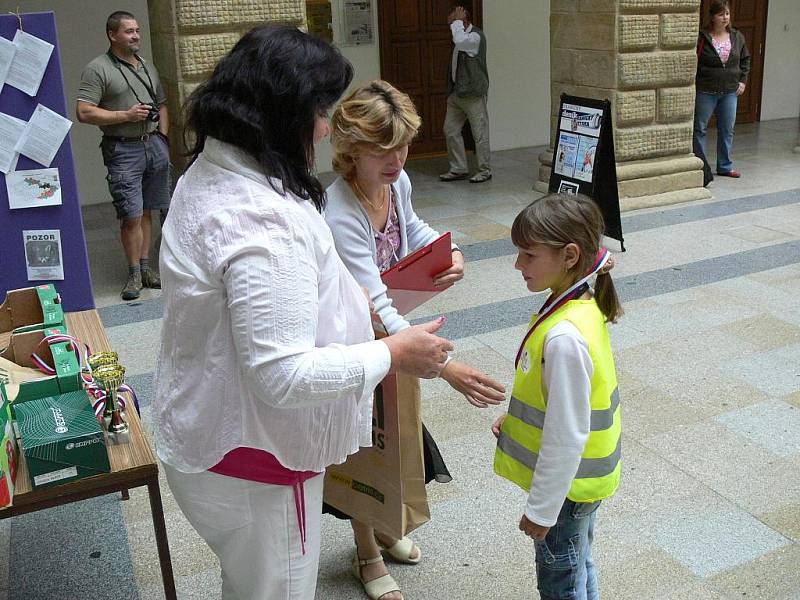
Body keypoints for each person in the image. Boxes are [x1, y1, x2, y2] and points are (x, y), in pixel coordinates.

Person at [152, 27, 454, 600]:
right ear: (283, 112)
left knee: (249, 581)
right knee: (277, 588)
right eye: (320, 111)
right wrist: (391, 351)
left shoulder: (218, 166)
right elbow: (282, 375)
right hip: (256, 460)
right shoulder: (263, 225)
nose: (325, 127)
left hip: (212, 429)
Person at [325, 79, 505, 600]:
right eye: (382, 149)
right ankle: (366, 553)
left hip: (389, 335)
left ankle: (384, 525)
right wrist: (446, 369)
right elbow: (374, 300)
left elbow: (414, 228)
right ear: (350, 147)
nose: (397, 159)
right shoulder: (339, 211)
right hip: (353, 343)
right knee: (361, 443)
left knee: (392, 432)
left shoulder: (393, 184)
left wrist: (450, 252)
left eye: (402, 145)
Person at [492, 193, 623, 600]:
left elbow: (567, 434)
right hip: (585, 482)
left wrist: (542, 510)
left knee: (561, 582)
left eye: (528, 255)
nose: (518, 265)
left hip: (566, 492)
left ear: (569, 256)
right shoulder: (581, 301)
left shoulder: (564, 335)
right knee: (580, 561)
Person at [76, 10, 170, 301]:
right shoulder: (98, 68)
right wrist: (125, 115)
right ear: (112, 35)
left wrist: (163, 137)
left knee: (147, 211)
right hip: (123, 149)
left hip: (154, 145)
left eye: (137, 30)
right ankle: (132, 273)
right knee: (130, 214)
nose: (136, 36)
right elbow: (84, 111)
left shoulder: (147, 66)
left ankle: (145, 269)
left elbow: (162, 104)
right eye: (129, 31)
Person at [693, 0, 751, 183]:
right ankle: (701, 167)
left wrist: (742, 81)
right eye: (721, 14)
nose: (725, 18)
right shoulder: (702, 37)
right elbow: (694, 61)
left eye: (727, 14)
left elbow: (745, 60)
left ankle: (725, 166)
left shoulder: (736, 36)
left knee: (727, 129)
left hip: (729, 91)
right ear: (712, 17)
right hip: (705, 90)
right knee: (700, 129)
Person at [439, 5, 492, 184]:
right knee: (450, 130)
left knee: (480, 134)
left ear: (464, 20)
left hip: (473, 94)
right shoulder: (460, 35)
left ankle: (484, 170)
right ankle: (458, 168)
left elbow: (460, 40)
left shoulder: (474, 37)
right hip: (457, 94)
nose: (451, 27)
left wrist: (457, 22)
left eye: (453, 22)